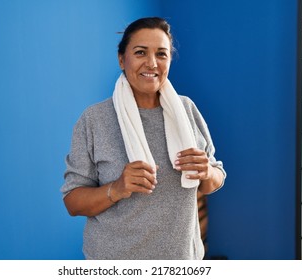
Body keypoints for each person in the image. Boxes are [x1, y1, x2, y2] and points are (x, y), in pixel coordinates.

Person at [60, 17, 226, 260]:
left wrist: (208, 173)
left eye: (161, 54)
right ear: (121, 59)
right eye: (140, 52)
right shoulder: (95, 119)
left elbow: (215, 177)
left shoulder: (187, 109)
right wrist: (117, 188)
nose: (152, 63)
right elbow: (73, 202)